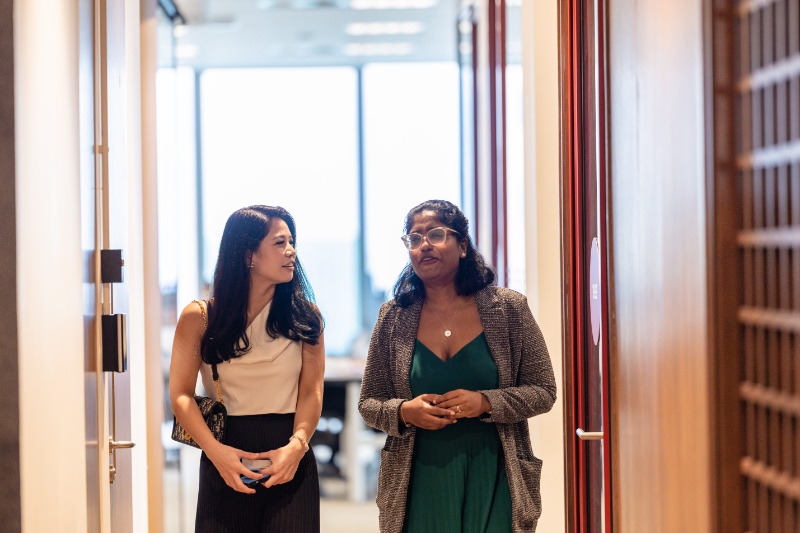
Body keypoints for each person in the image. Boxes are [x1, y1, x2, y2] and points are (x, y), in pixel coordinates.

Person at [359, 199, 556, 533]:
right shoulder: (392, 317)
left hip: (495, 471)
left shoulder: (509, 309)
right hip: (418, 478)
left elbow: (544, 391)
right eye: (414, 238)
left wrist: (486, 402)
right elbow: (369, 403)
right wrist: (405, 411)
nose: (424, 245)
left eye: (436, 234)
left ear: (462, 245)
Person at [170, 205, 325, 532]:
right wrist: (215, 452)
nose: (291, 251)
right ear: (247, 255)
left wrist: (298, 446)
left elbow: (311, 390)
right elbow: (181, 395)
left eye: (292, 242)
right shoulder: (199, 317)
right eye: (280, 243)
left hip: (289, 454)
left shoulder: (305, 316)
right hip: (224, 453)